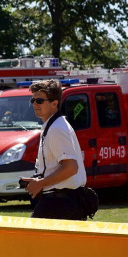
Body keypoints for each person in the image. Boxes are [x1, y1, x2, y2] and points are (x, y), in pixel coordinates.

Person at [21, 79, 88, 220]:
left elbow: (71, 167)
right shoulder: (52, 125)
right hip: (60, 201)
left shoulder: (57, 128)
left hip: (61, 202)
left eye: (39, 100)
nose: (34, 104)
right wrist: (38, 179)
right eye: (32, 100)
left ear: (54, 103)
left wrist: (40, 183)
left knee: (30, 240)